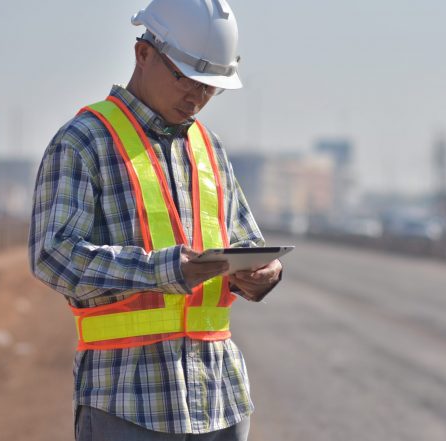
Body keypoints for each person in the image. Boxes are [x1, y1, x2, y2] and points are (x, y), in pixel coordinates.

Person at [28, 1, 282, 439]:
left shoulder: (210, 149)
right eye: (187, 78)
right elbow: (54, 256)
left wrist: (264, 272)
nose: (198, 97)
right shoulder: (85, 140)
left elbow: (245, 241)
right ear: (143, 53)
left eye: (210, 87)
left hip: (220, 401)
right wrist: (166, 270)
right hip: (127, 402)